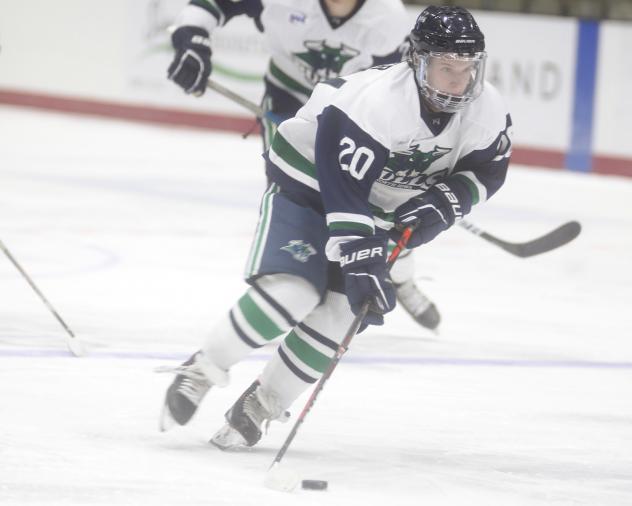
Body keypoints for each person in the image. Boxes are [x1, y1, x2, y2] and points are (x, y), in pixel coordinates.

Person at [159, 5, 513, 450]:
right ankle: (203, 369)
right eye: (446, 68)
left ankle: (261, 404)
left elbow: (490, 168)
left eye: (467, 69)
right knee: (293, 292)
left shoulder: (487, 108)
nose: (459, 82)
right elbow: (340, 180)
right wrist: (361, 252)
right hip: (308, 183)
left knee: (344, 312)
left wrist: (448, 200)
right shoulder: (378, 103)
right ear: (419, 63)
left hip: (375, 200)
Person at [167, 0, 442, 330]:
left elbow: (401, 88)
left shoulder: (388, 17)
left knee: (376, 210)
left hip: (357, 116)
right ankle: (291, 285)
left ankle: (401, 275)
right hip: (289, 103)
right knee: (295, 197)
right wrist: (192, 41)